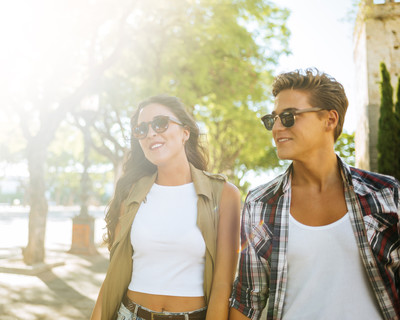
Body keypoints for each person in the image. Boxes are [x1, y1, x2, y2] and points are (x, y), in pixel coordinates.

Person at [229, 68, 400, 320]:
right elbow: (247, 301)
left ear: (329, 120)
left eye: (288, 117)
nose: (276, 128)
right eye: (272, 119)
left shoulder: (386, 193)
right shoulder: (260, 203)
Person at [90, 94, 241, 320]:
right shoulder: (131, 193)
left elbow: (222, 285)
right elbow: (113, 275)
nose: (151, 133)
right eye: (141, 129)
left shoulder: (224, 194)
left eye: (160, 123)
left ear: (185, 132)